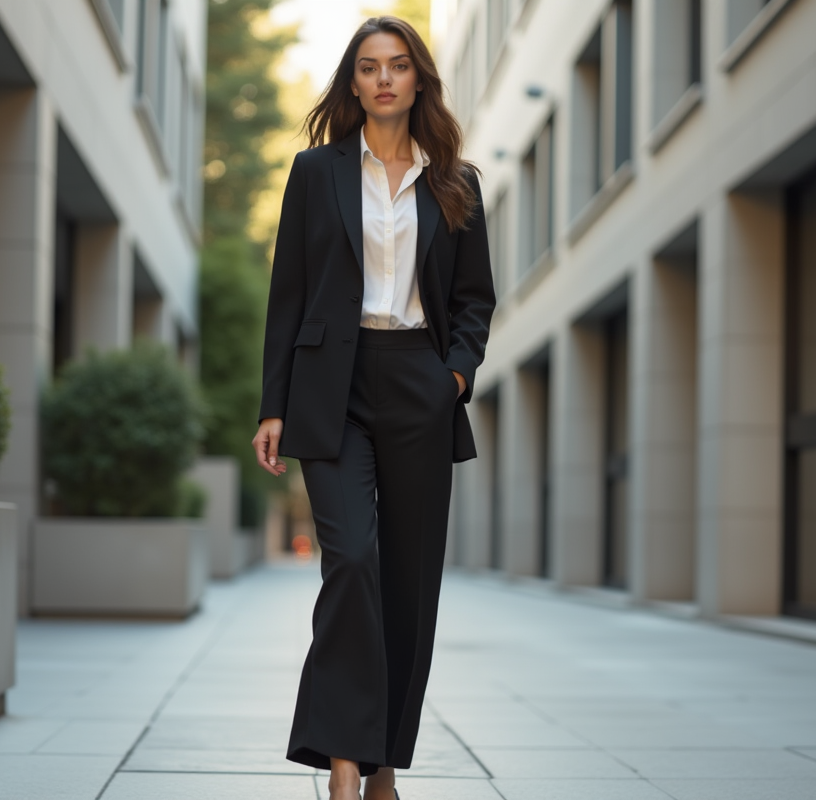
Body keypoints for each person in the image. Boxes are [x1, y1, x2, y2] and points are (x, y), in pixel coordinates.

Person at [251, 15, 495, 800]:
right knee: (352, 558)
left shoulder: (456, 181)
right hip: (333, 388)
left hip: (419, 381)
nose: (384, 78)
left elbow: (473, 303)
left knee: (408, 585)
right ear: (352, 82)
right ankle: (345, 765)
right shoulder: (315, 172)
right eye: (368, 67)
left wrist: (453, 377)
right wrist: (272, 406)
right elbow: (287, 296)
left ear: (418, 78)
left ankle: (384, 761)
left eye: (397, 65)